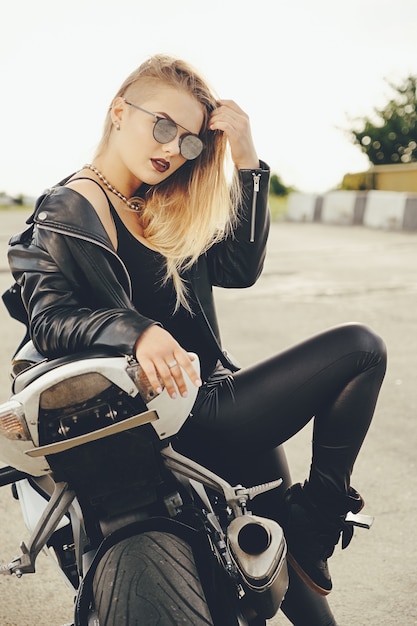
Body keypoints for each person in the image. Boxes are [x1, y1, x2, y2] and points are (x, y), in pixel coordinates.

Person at [6, 54, 386, 625]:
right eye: (163, 124)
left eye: (188, 141)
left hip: (206, 397)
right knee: (360, 349)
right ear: (118, 112)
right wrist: (137, 332)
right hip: (169, 406)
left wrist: (246, 159)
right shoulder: (71, 206)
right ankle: (324, 511)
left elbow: (239, 267)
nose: (172, 147)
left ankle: (305, 530)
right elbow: (49, 317)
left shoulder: (160, 201)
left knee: (284, 553)